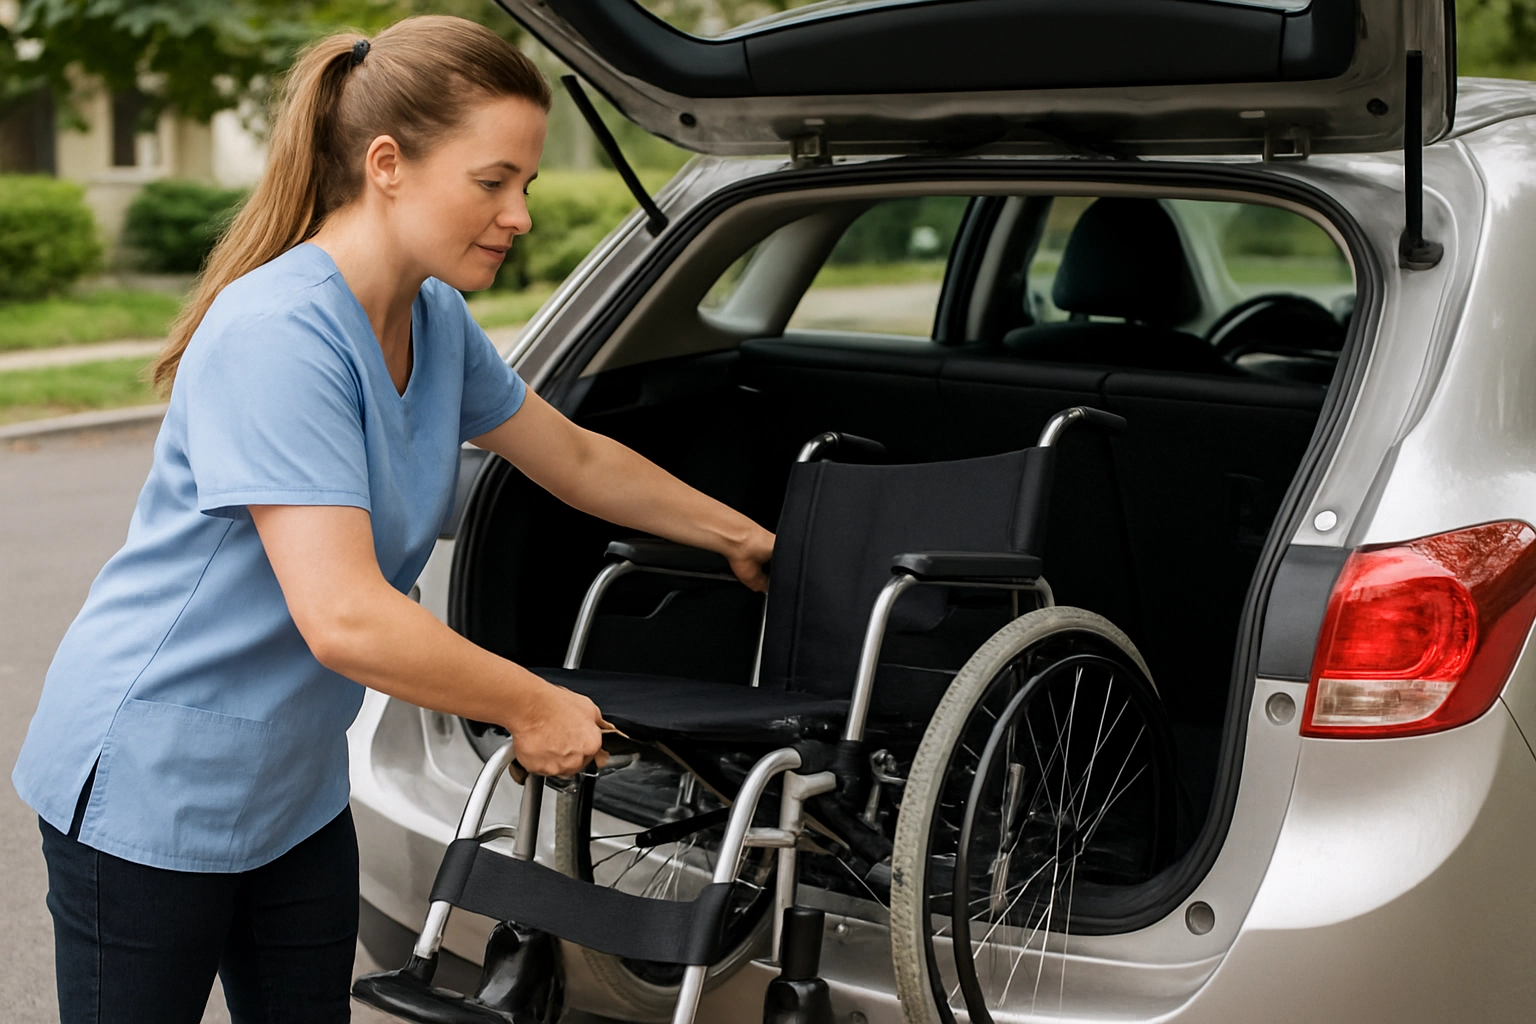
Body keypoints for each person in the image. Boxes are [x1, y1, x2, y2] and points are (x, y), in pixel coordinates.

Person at [10, 16, 773, 1024]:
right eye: (492, 181)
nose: (519, 216)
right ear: (387, 166)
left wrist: (739, 534)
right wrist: (531, 704)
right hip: (153, 783)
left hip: (291, 788)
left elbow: (577, 459)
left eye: (527, 187)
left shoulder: (431, 318)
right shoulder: (279, 332)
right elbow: (347, 617)